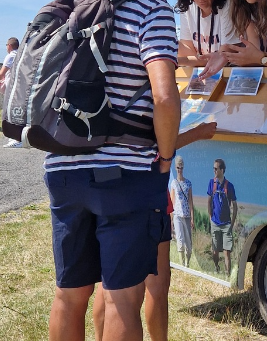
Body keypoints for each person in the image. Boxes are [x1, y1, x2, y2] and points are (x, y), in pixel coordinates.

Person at [43, 0, 181, 341]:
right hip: (124, 174)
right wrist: (167, 157)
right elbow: (164, 95)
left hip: (62, 167)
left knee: (69, 296)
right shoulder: (151, 8)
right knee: (123, 299)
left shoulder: (73, 3)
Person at [92, 123, 217, 341]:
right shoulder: (147, 90)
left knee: (110, 284)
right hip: (146, 194)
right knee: (154, 286)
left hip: (104, 190)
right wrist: (197, 133)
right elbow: (156, 146)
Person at [175, 0, 238, 71]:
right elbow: (187, 50)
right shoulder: (187, 6)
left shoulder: (229, 4)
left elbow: (222, 57)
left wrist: (176, 62)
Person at [208, 158, 237, 274]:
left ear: (222, 170)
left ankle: (227, 274)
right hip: (215, 222)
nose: (214, 170)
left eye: (216, 168)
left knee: (226, 252)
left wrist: (232, 222)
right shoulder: (211, 183)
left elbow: (235, 205)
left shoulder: (229, 186)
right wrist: (210, 217)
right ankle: (216, 267)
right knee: (215, 251)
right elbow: (209, 201)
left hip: (226, 224)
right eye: (213, 168)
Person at [0, 38, 23, 147]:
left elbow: (2, 71)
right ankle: (17, 137)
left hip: (11, 88)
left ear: (9, 45)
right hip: (20, 87)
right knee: (17, 111)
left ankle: (16, 138)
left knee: (10, 112)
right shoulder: (22, 54)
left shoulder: (11, 56)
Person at [170, 155, 194, 268]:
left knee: (188, 245)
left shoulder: (188, 183)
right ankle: (182, 265)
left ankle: (187, 263)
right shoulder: (174, 183)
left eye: (181, 167)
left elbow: (190, 201)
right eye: (178, 167)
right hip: (177, 215)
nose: (180, 169)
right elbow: (172, 201)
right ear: (175, 168)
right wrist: (170, 219)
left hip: (187, 215)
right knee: (180, 241)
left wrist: (193, 218)